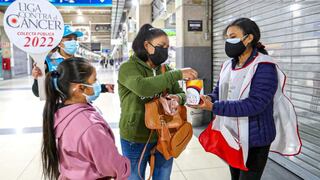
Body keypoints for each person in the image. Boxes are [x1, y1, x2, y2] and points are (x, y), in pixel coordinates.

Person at [190, 18, 301, 180]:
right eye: (227, 37)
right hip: (231, 135)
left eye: (233, 36)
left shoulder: (264, 66)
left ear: (248, 38)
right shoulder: (228, 65)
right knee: (235, 177)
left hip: (255, 139)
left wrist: (213, 106)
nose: (229, 41)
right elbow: (219, 92)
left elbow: (255, 104)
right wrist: (206, 99)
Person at [117, 24, 198, 180]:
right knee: (134, 177)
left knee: (163, 177)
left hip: (165, 135)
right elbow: (142, 87)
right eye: (161, 46)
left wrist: (177, 99)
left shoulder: (164, 69)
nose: (165, 50)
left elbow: (181, 93)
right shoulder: (128, 68)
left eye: (167, 47)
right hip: (135, 138)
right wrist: (177, 74)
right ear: (147, 45)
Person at [41, 58, 130, 180]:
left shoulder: (60, 114)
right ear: (79, 88)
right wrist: (126, 167)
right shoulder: (89, 126)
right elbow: (111, 165)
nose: (97, 84)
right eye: (94, 80)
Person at [32, 25, 114, 97]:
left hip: (80, 105)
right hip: (58, 108)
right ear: (59, 43)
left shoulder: (81, 61)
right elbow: (38, 93)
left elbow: (86, 85)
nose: (74, 42)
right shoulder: (47, 62)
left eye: (75, 39)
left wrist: (104, 87)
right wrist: (36, 78)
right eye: (69, 39)